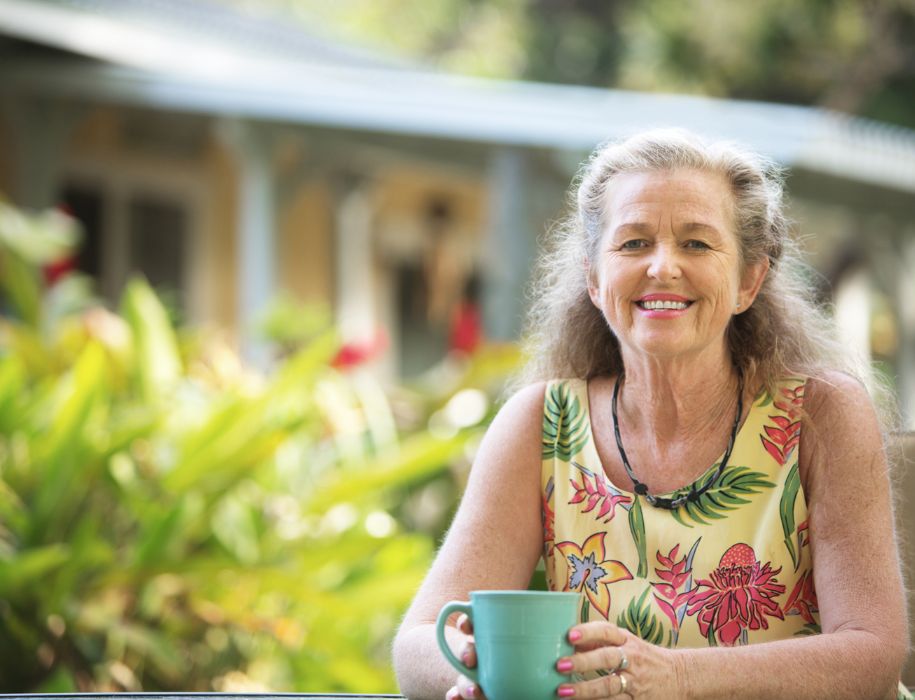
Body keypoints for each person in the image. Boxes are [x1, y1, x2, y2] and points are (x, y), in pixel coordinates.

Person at [392, 129, 910, 699]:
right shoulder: (542, 424)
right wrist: (476, 670)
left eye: (696, 244)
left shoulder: (821, 413)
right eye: (634, 243)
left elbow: (872, 650)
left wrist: (677, 676)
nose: (662, 267)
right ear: (594, 277)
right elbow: (419, 641)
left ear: (748, 280)